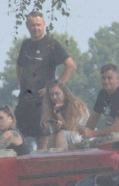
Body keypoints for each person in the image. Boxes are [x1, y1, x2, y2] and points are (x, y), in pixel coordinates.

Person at [16, 11, 76, 147]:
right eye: (32, 25)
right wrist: (21, 83)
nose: (36, 28)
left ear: (44, 25)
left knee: (41, 135)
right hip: (25, 98)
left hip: (41, 99)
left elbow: (71, 66)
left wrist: (54, 87)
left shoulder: (51, 44)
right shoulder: (25, 44)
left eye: (38, 25)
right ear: (27, 26)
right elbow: (19, 65)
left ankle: (40, 161)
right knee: (18, 132)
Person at [80, 64, 119, 142]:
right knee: (81, 145)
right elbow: (94, 117)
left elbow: (118, 127)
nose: (106, 81)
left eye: (109, 78)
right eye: (103, 78)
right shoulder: (102, 94)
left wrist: (93, 133)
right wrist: (86, 133)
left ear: (117, 78)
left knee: (110, 139)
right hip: (113, 133)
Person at [39, 81, 89, 149]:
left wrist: (57, 112)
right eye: (51, 95)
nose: (54, 97)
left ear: (64, 93)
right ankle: (51, 158)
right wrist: (57, 126)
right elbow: (57, 129)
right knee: (53, 136)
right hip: (70, 135)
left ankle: (61, 158)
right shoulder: (53, 106)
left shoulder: (74, 103)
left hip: (83, 136)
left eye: (57, 94)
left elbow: (68, 128)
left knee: (61, 134)